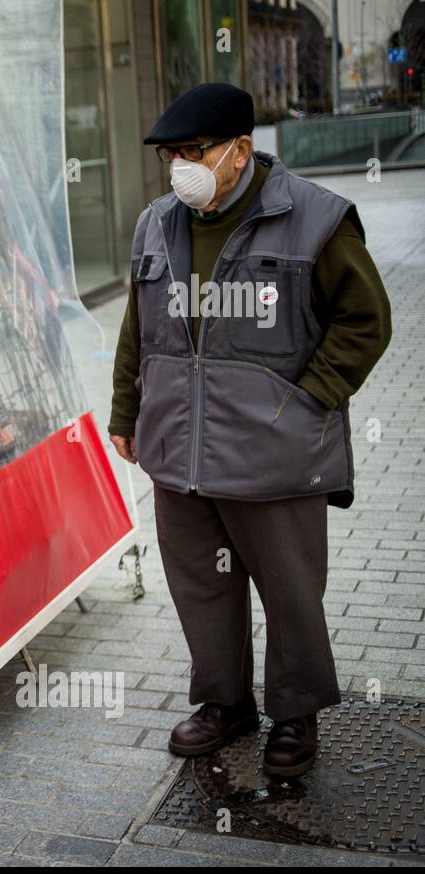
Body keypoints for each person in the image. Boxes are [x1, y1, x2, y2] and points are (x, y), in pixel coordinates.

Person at [108, 83, 391, 777]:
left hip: (274, 452)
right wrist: (125, 412)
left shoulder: (315, 220)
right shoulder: (157, 224)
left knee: (290, 591)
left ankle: (294, 715)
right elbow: (137, 329)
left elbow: (367, 319)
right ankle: (224, 703)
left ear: (240, 149)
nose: (180, 165)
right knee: (202, 586)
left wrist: (307, 401)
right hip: (177, 446)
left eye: (193, 150)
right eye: (172, 153)